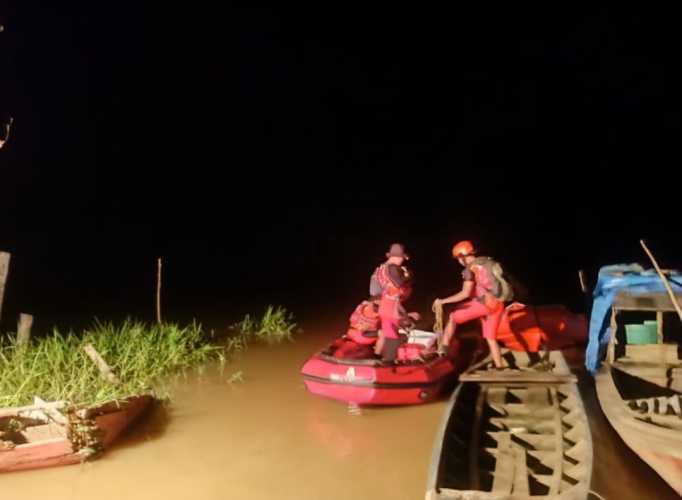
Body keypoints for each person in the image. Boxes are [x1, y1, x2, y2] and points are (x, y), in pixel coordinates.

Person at [433, 241, 512, 369]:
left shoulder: (469, 269)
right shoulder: (488, 262)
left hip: (485, 304)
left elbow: (465, 294)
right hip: (498, 303)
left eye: (458, 259)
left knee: (453, 317)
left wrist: (443, 301)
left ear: (462, 257)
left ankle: (443, 351)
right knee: (491, 338)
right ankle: (500, 366)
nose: (459, 262)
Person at [370, 243, 412, 363]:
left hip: (384, 304)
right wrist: (407, 275)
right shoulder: (392, 268)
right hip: (391, 307)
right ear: (398, 257)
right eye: (403, 258)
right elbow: (399, 283)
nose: (403, 261)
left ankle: (382, 360)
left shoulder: (380, 269)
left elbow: (374, 290)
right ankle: (389, 364)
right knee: (394, 336)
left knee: (389, 334)